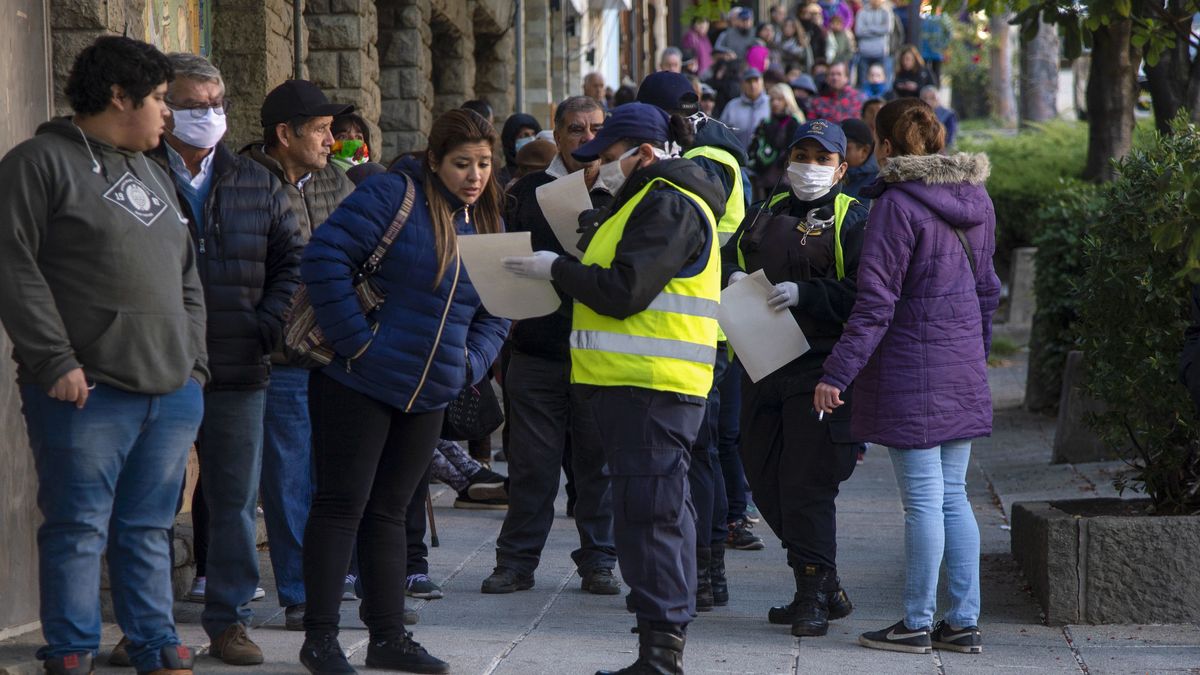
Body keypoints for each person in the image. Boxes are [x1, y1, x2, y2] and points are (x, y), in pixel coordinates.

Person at [0, 36, 204, 675]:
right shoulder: (37, 162)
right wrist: (55, 359)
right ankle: (70, 650)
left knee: (148, 528)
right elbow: (14, 266)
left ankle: (153, 642)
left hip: (170, 390)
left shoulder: (152, 167)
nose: (168, 115)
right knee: (78, 528)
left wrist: (193, 367)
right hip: (85, 391)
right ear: (120, 96)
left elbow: (187, 275)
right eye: (161, 100)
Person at [502, 102, 725, 674]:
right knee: (649, 516)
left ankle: (661, 654)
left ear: (644, 153)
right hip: (633, 387)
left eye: (607, 157)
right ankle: (659, 644)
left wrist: (556, 269)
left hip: (651, 387)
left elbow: (624, 291)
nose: (599, 169)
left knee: (650, 519)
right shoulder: (644, 200)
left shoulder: (668, 203)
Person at [297, 109, 509, 674]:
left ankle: (388, 636)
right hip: (358, 381)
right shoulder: (395, 194)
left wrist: (468, 365)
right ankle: (319, 638)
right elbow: (324, 258)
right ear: (435, 160)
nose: (474, 175)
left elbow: (498, 311)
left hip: (429, 392)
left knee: (391, 512)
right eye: (462, 163)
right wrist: (356, 342)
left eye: (484, 164)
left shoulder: (484, 220)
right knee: (342, 506)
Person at [815, 97, 999, 655]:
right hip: (960, 366)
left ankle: (917, 622)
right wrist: (974, 356)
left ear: (887, 148)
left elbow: (875, 305)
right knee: (953, 498)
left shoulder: (895, 206)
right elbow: (988, 289)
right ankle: (962, 621)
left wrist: (836, 374)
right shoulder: (977, 198)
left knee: (923, 503)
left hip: (911, 372)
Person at [149, 51, 304, 665]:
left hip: (241, 365)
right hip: (160, 366)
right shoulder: (141, 176)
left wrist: (267, 323)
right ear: (163, 108)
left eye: (217, 105)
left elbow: (292, 259)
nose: (208, 116)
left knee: (237, 502)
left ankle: (230, 622)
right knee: (153, 501)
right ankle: (150, 623)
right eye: (193, 106)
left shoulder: (252, 178)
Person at [723, 118, 867, 639]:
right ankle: (824, 581)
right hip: (763, 360)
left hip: (822, 367)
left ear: (842, 168)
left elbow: (869, 295)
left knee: (806, 482)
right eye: (801, 156)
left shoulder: (854, 218)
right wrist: (734, 278)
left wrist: (810, 295)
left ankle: (810, 593)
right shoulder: (766, 211)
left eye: (822, 159)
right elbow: (726, 259)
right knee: (761, 475)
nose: (809, 167)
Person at [482, 95, 620, 597]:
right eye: (576, 130)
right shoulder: (524, 192)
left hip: (599, 352)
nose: (587, 138)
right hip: (537, 350)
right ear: (556, 137)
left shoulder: (626, 192)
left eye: (596, 129)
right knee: (531, 469)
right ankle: (516, 563)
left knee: (595, 468)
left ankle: (599, 561)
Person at [638, 70, 758, 609]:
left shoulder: (702, 160)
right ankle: (707, 574)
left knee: (697, 453)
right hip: (703, 324)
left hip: (695, 327)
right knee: (699, 452)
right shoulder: (712, 147)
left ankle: (705, 573)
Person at [241, 79, 355, 633]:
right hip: (278, 356)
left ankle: (332, 581)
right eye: (321, 130)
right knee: (287, 479)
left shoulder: (337, 181)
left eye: (332, 130)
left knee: (333, 474)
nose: (331, 141)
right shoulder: (241, 182)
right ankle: (299, 592)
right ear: (284, 135)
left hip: (336, 352)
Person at [748, 83, 807, 199]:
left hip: (785, 177)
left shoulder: (794, 122)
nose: (775, 103)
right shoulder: (765, 122)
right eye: (772, 99)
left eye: (779, 99)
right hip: (764, 174)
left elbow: (792, 148)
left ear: (787, 100)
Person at [719, 68, 771, 149]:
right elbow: (721, 132)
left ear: (762, 82)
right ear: (742, 84)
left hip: (766, 157)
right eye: (748, 81)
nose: (753, 85)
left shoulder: (770, 103)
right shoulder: (732, 106)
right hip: (738, 156)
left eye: (756, 81)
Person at [855, 0, 895, 88]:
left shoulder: (886, 12)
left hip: (881, 52)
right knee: (863, 83)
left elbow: (888, 29)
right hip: (864, 52)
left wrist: (868, 28)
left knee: (885, 83)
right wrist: (878, 30)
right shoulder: (862, 12)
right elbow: (859, 31)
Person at [840, 118, 880, 205]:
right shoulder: (831, 174)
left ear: (864, 151)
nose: (837, 154)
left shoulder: (877, 185)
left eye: (844, 148)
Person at [499, 113, 542, 186]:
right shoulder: (501, 178)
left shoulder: (544, 173)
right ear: (511, 141)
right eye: (525, 135)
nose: (532, 139)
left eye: (534, 134)